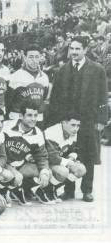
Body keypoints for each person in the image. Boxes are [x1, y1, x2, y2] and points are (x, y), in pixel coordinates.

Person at [47, 36, 108, 202]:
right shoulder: (62, 71)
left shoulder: (97, 70)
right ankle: (68, 190)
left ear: (85, 49)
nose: (74, 52)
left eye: (77, 48)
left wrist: (102, 120)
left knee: (88, 154)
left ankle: (87, 190)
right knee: (68, 154)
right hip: (67, 122)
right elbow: (55, 98)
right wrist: (55, 121)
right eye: (71, 48)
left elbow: (103, 97)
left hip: (89, 120)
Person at [3, 102, 53, 205]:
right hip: (5, 164)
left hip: (21, 164)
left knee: (46, 172)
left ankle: (24, 188)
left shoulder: (38, 133)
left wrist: (44, 172)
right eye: (30, 115)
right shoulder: (6, 126)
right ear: (21, 116)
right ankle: (5, 190)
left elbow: (42, 156)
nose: (34, 119)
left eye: (36, 115)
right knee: (16, 177)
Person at [44, 112, 86, 202]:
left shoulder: (72, 132)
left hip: (58, 161)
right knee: (64, 171)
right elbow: (52, 157)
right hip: (44, 163)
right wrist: (69, 163)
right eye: (73, 125)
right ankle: (46, 189)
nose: (76, 129)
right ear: (63, 123)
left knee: (81, 169)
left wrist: (72, 159)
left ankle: (53, 186)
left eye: (78, 126)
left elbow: (74, 149)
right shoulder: (52, 132)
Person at [6, 44, 49, 127]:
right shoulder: (15, 76)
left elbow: (43, 97)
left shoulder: (44, 77)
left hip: (37, 119)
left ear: (40, 58)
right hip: (18, 119)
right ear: (25, 58)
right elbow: (8, 100)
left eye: (37, 57)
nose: (34, 60)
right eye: (31, 57)